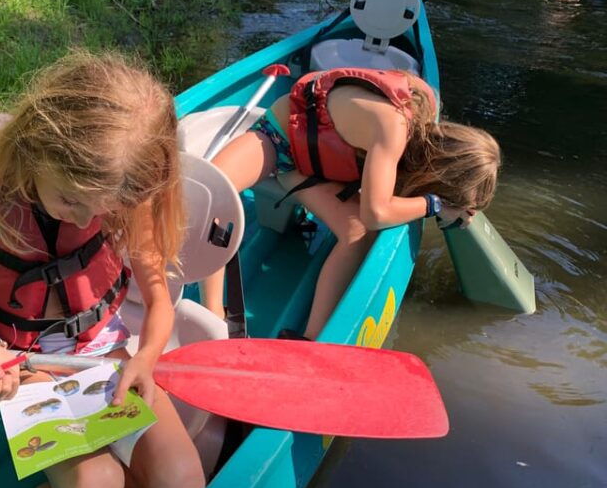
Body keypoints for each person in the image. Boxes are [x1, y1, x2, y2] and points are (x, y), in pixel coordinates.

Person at [0, 50, 205, 488]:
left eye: (105, 209)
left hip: (102, 355)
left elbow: (157, 296)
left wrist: (146, 358)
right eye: (73, 202)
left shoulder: (126, 183)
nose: (90, 219)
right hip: (21, 361)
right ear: (39, 151)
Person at [201, 67, 501, 340]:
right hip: (277, 141)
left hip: (319, 160)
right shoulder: (394, 128)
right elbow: (376, 214)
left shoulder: (425, 106)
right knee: (215, 197)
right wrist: (434, 206)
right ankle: (213, 314)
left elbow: (366, 220)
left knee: (356, 232)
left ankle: (309, 339)